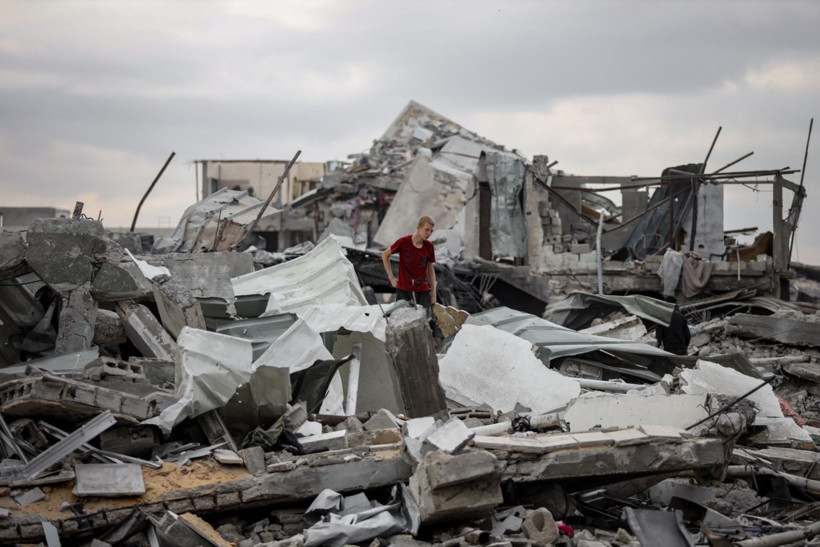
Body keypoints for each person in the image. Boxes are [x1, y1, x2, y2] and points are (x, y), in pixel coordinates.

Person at [382, 215, 437, 312]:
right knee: (402, 322)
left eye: (431, 231)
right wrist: (392, 278)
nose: (429, 233)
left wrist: (433, 295)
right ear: (418, 227)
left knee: (422, 322)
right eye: (426, 230)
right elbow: (385, 255)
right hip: (404, 290)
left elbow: (430, 270)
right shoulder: (403, 242)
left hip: (422, 291)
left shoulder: (429, 246)